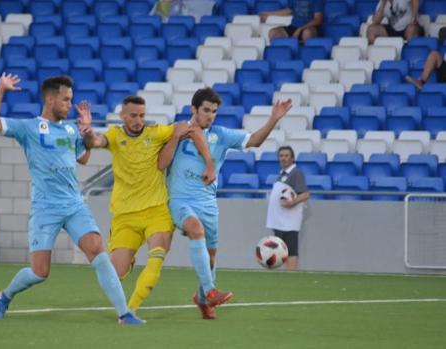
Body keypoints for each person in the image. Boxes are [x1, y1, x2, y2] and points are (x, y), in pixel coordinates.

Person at [0, 74, 144, 325]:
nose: (70, 104)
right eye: (65, 99)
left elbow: (84, 158)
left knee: (98, 252)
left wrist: (87, 132)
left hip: (74, 205)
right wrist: (0, 89)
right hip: (45, 208)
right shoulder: (29, 128)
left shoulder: (70, 129)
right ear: (50, 99)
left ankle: (124, 314)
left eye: (70, 99)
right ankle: (4, 295)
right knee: (40, 272)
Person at [158, 88, 292, 320]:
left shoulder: (220, 135)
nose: (210, 115)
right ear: (194, 109)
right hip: (180, 200)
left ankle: (202, 299)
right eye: (206, 110)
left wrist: (273, 120)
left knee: (210, 258)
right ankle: (210, 293)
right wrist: (175, 137)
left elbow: (255, 141)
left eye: (214, 111)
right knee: (195, 230)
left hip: (208, 203)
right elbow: (161, 163)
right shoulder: (176, 130)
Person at [77, 95, 215, 314]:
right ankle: (127, 265)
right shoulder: (114, 136)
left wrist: (209, 162)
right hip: (125, 216)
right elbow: (94, 142)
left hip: (157, 211)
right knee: (116, 273)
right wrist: (87, 131)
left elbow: (194, 129)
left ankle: (130, 311)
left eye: (141, 115)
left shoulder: (156, 132)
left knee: (156, 258)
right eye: (133, 116)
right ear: (122, 116)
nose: (138, 120)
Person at [265, 146, 310, 271]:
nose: (283, 158)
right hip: (280, 221)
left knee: (291, 249)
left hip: (289, 221)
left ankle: (292, 275)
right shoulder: (281, 174)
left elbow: (305, 194)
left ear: (292, 158)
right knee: (281, 249)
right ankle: (286, 274)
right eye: (281, 156)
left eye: (286, 155)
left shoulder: (296, 173)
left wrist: (293, 202)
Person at [260, 0, 324, 43]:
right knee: (273, 33)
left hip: (309, 28)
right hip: (294, 26)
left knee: (307, 33)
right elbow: (289, 11)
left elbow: (318, 20)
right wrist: (269, 14)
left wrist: (300, 29)